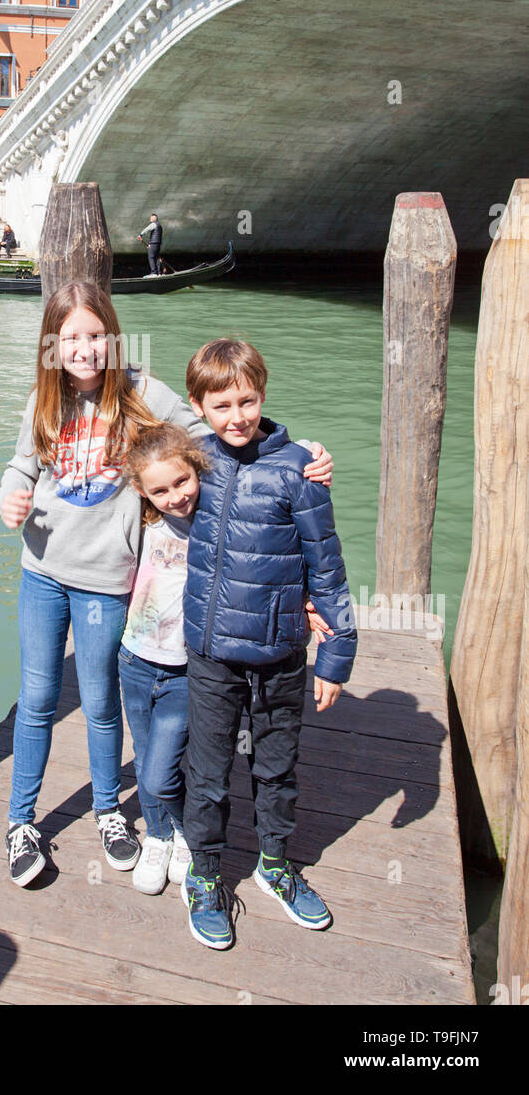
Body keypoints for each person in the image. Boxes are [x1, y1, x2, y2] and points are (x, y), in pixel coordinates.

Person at [0, 288, 336, 890]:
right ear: (51, 345)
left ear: (114, 336)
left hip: (106, 581)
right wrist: (9, 494)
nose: (84, 348)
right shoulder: (42, 402)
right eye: (70, 337)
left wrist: (299, 452)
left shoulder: (143, 394)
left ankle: (107, 811)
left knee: (100, 703)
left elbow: (219, 430)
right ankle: (22, 821)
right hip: (43, 570)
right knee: (39, 696)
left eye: (95, 335)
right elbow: (24, 464)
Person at [180, 338, 357, 949]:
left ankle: (274, 866)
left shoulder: (299, 470)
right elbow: (139, 468)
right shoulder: (193, 462)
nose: (237, 416)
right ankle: (204, 876)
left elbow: (327, 567)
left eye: (247, 400)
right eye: (221, 404)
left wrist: (336, 655)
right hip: (210, 654)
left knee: (276, 767)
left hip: (282, 652)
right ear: (198, 407)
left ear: (263, 394)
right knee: (206, 770)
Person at [119, 422, 332, 896]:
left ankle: (191, 840)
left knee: (167, 770)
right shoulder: (143, 515)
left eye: (182, 481)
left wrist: (307, 454)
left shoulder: (214, 514)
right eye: (160, 489)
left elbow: (265, 523)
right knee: (149, 757)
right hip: (135, 658)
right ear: (141, 490)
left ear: (197, 471)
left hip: (189, 663)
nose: (175, 496)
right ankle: (162, 836)